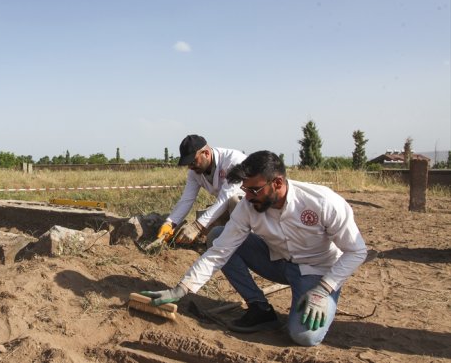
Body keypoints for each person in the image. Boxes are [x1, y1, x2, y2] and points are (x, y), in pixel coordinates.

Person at [140, 150, 368, 346]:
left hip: (317, 273)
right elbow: (220, 251)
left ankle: (317, 297)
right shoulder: (248, 206)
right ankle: (260, 309)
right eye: (245, 189)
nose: (247, 197)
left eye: (254, 190)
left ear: (277, 183)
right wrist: (181, 289)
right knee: (218, 235)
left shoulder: (324, 202)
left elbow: (356, 251)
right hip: (277, 262)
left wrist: (324, 289)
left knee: (304, 336)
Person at [152, 134, 246, 247]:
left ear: (206, 153)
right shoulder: (195, 172)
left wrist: (197, 226)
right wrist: (170, 223)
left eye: (192, 162)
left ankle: (247, 244)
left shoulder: (233, 161)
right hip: (227, 209)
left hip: (253, 211)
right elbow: (186, 199)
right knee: (210, 233)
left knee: (234, 200)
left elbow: (226, 198)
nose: (190, 167)